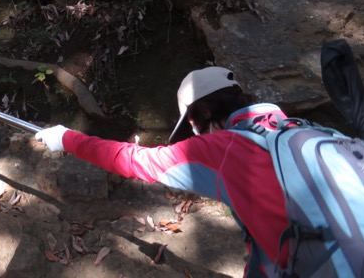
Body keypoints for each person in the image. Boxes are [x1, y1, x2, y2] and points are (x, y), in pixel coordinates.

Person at [35, 67, 291, 276]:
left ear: (205, 111)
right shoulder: (296, 128)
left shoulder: (222, 148)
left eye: (193, 125)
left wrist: (67, 139)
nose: (194, 135)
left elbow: (135, 160)